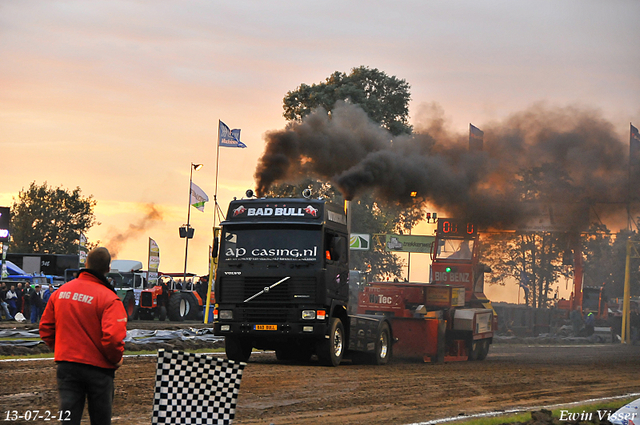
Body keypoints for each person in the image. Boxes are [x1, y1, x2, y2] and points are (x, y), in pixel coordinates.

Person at [40, 247, 128, 425]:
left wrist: (62, 349)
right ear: (108, 269)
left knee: (69, 420)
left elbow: (45, 328)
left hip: (67, 366)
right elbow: (112, 338)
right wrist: (115, 359)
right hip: (99, 370)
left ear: (85, 264)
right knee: (100, 420)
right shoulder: (110, 299)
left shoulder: (60, 293)